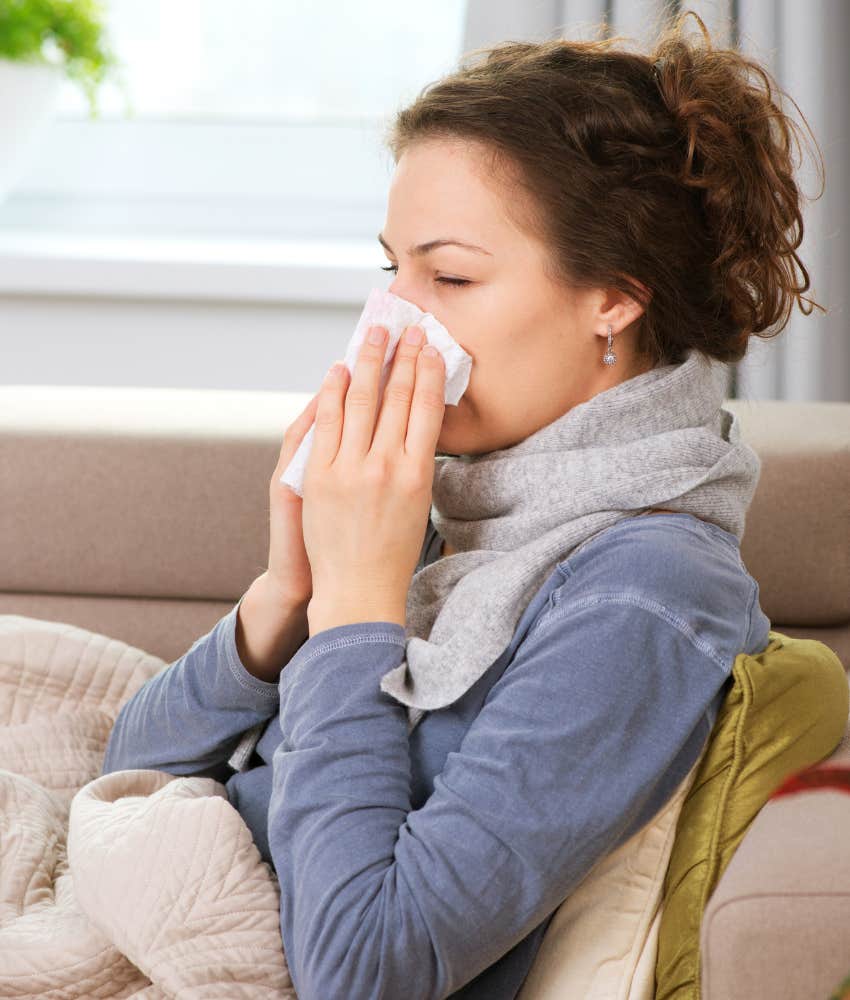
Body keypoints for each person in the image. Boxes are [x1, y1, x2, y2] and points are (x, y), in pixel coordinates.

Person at [102, 10, 823, 999]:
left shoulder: (641, 596)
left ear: (613, 296)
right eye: (390, 269)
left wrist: (357, 608)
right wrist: (286, 593)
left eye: (448, 275)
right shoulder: (474, 488)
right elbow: (122, 772)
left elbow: (363, 969)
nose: (392, 323)